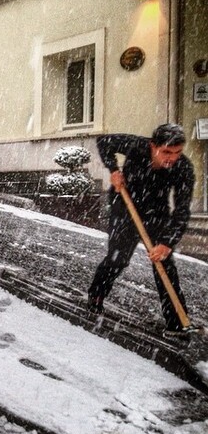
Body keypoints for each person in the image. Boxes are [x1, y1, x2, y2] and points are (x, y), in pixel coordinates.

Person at [87, 123, 195, 338]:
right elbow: (104, 141)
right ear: (153, 145)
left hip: (156, 213)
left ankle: (176, 322)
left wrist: (166, 243)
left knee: (164, 263)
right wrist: (114, 170)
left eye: (177, 152)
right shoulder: (137, 146)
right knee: (118, 258)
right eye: (166, 151)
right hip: (125, 207)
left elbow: (182, 210)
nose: (171, 158)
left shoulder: (183, 168)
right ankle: (96, 297)